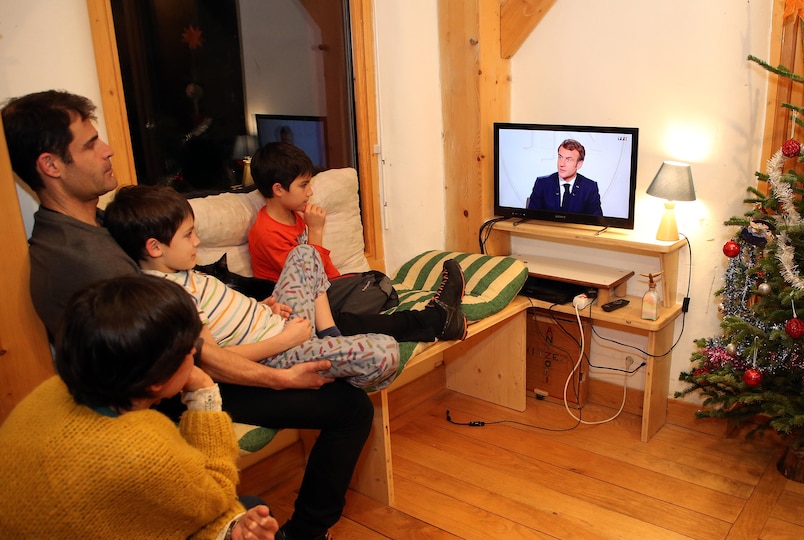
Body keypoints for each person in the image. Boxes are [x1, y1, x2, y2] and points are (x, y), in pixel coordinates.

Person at [2, 89, 361, 539]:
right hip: (173, 386)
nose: (107, 149)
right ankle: (305, 533)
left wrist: (261, 305)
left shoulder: (100, 226)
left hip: (193, 362)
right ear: (51, 165)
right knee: (349, 407)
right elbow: (198, 356)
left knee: (342, 346)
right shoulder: (80, 260)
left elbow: (196, 295)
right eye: (90, 143)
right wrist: (282, 378)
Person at [0, 275, 279, 539]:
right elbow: (215, 495)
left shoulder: (51, 390)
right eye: (187, 348)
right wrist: (204, 392)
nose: (195, 351)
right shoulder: (142, 449)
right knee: (253, 507)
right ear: (156, 380)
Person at [104, 184, 401, 391]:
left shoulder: (183, 271)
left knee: (305, 253)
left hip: (283, 323)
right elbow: (216, 360)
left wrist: (261, 307)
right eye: (188, 235)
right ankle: (332, 371)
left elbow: (222, 314)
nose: (197, 241)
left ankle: (329, 335)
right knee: (386, 351)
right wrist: (285, 340)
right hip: (275, 354)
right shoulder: (169, 298)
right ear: (155, 247)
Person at [248, 141, 467, 342]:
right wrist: (315, 231)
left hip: (323, 296)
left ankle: (345, 322)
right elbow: (309, 280)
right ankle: (434, 319)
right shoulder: (266, 233)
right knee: (376, 286)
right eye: (303, 185)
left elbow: (326, 277)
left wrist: (344, 286)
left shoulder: (296, 216)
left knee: (377, 284)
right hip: (298, 308)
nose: (310, 192)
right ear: (278, 189)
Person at [527, 138, 602, 215]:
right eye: (560, 157)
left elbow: (596, 220)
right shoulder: (542, 184)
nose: (562, 164)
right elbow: (531, 217)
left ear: (579, 164)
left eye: (568, 159)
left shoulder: (589, 188)